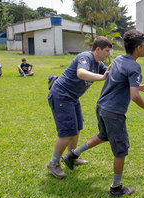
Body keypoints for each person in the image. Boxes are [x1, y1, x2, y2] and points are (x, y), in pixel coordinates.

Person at [62, 30, 144, 197]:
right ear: (137, 47)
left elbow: (115, 76)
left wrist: (135, 85)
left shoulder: (119, 59)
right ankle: (116, 187)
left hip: (101, 107)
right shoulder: (135, 66)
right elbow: (134, 96)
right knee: (120, 150)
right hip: (114, 112)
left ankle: (73, 154)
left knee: (103, 135)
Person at [47, 36, 112, 179]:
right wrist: (101, 78)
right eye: (106, 51)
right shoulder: (86, 57)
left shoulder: (98, 64)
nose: (108, 54)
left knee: (77, 128)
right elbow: (81, 73)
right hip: (61, 95)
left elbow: (110, 74)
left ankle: (72, 156)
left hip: (72, 97)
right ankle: (53, 163)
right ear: (98, 49)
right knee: (67, 132)